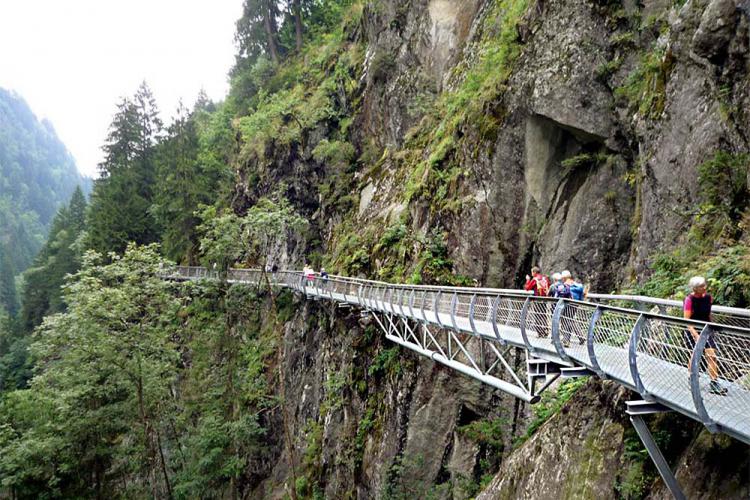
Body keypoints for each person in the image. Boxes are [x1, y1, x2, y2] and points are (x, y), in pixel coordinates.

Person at [684, 276, 726, 395]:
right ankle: (691, 379)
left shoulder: (708, 298)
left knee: (712, 355)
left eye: (704, 285)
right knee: (695, 356)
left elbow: (708, 314)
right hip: (693, 330)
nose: (705, 288)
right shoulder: (689, 300)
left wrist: (712, 327)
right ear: (695, 289)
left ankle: (714, 383)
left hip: (706, 330)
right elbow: (687, 320)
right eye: (702, 286)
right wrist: (695, 335)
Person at [524, 266, 550, 337]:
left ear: (535, 272)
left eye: (532, 272)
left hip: (538, 299)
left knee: (538, 315)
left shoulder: (535, 279)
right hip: (545, 299)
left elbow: (527, 288)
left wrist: (528, 280)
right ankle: (545, 331)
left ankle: (540, 332)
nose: (531, 273)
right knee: (543, 315)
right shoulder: (545, 278)